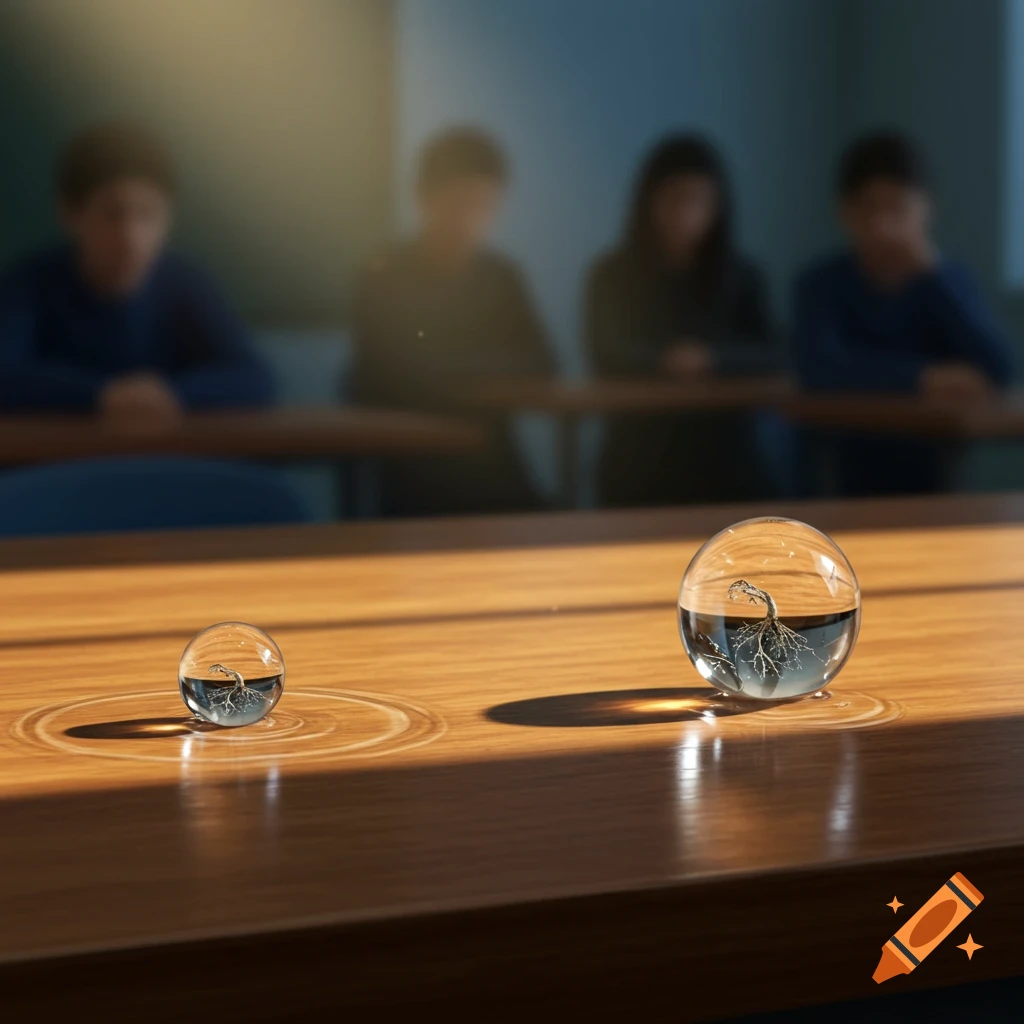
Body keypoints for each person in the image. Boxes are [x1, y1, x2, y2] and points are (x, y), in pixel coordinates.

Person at [0, 122, 273, 423]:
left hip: (166, 462)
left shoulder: (186, 282)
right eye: (112, 214)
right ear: (71, 214)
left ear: (169, 217)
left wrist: (174, 394)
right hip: (59, 466)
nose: (131, 237)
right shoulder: (31, 281)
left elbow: (255, 378)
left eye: (148, 214)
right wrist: (101, 394)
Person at [794, 132, 1015, 496]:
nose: (884, 225)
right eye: (869, 209)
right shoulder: (821, 283)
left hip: (937, 480)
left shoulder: (948, 282)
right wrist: (924, 376)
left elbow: (999, 367)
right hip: (844, 479)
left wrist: (934, 274)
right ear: (845, 213)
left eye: (898, 208)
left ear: (926, 208)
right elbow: (819, 367)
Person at [352, 126, 554, 516]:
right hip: (412, 463)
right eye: (459, 202)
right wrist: (482, 375)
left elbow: (543, 362)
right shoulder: (384, 275)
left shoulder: (501, 275)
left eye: (484, 206)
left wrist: (453, 374)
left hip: (493, 460)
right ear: (425, 198)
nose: (469, 219)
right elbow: (377, 374)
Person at [585, 134, 782, 507]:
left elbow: (773, 351)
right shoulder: (611, 275)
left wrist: (713, 359)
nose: (686, 213)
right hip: (639, 453)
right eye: (675, 198)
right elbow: (605, 350)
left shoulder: (741, 275)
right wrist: (664, 360)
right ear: (649, 201)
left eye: (700, 200)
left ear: (718, 206)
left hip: (727, 455)